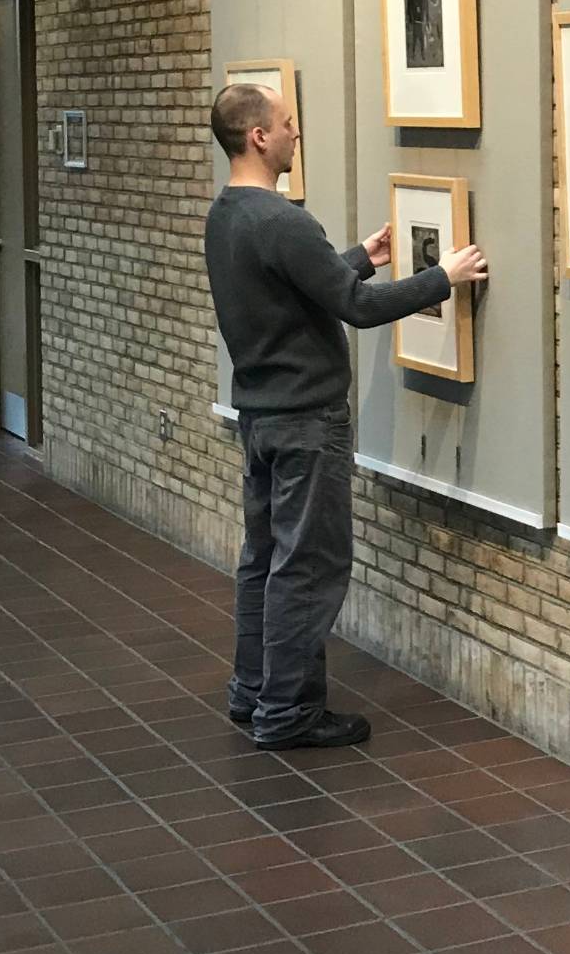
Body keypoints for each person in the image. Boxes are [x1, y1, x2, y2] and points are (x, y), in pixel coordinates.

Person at [205, 78, 487, 748]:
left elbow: (297, 283)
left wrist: (360, 257)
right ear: (258, 137)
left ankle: (253, 694)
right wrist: (440, 279)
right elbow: (355, 309)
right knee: (308, 568)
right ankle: (289, 713)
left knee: (265, 559)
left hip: (262, 419)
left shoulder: (228, 215)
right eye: (287, 122)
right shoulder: (283, 220)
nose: (295, 132)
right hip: (307, 424)